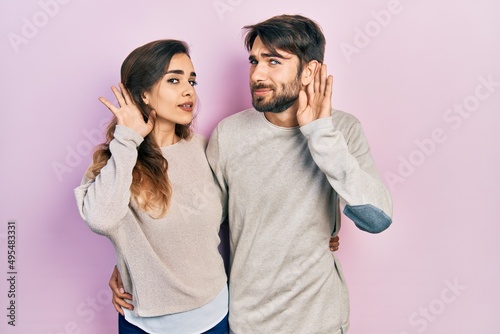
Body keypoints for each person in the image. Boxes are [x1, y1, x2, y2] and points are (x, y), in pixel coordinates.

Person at [110, 14, 391, 333]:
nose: (257, 74)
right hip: (248, 322)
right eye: (254, 61)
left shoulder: (341, 129)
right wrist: (133, 261)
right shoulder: (229, 135)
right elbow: (198, 220)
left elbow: (376, 219)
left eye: (274, 62)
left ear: (309, 70)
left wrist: (320, 134)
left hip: (320, 320)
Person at [74, 39, 230, 333]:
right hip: (145, 325)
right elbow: (100, 220)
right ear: (143, 94)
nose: (188, 91)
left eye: (192, 81)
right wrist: (126, 140)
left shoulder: (202, 148)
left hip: (215, 316)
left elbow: (220, 222)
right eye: (174, 80)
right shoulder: (116, 159)